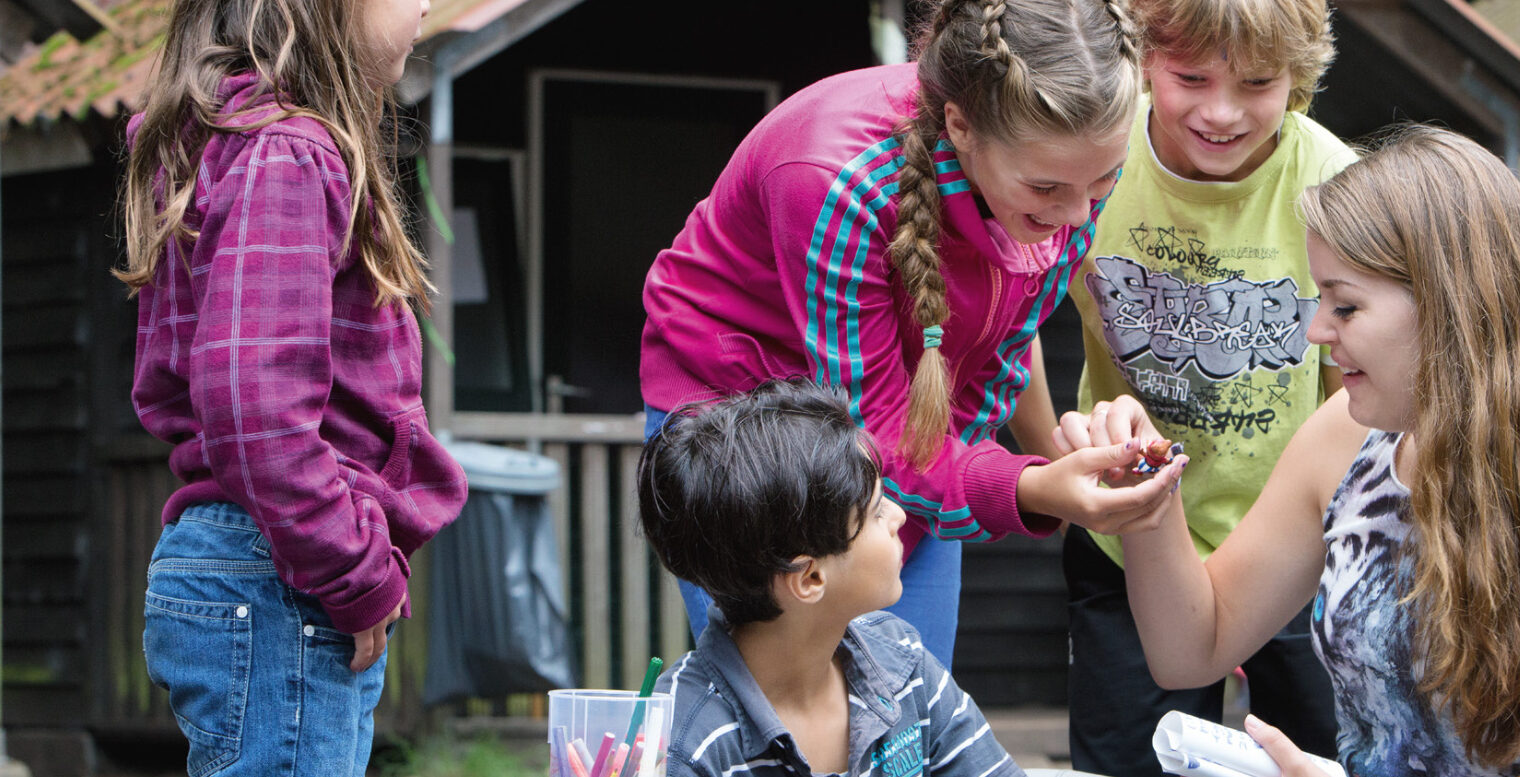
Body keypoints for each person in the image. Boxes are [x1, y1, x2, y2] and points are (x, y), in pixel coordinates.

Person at [640, 0, 1168, 667]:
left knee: (908, 699)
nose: (1075, 216)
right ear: (961, 126)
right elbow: (872, 432)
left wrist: (977, 481)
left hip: (902, 425)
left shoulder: (1069, 182)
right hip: (744, 419)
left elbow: (996, 361)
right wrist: (1026, 486)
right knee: (788, 702)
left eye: (1103, 181)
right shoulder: (834, 181)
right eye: (1046, 188)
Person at [1056, 125, 1520, 775]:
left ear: (1446, 303)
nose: (1315, 329)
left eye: (1346, 305)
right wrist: (1151, 501)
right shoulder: (1344, 438)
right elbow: (1195, 647)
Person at [117, 0, 467, 772]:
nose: (426, 6)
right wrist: (357, 570)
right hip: (278, 575)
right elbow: (255, 410)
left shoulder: (226, 145)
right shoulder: (288, 153)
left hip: (253, 563)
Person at [1019, 0, 1354, 770]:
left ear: (1298, 76)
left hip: (1294, 540)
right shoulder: (1095, 154)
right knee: (1129, 759)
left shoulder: (1333, 182)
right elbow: (1014, 325)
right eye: (1191, 76)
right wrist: (1058, 477)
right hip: (1128, 532)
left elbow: (1351, 387)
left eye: (1258, 81)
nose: (1222, 110)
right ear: (1143, 60)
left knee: (1324, 753)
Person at [639, 381, 1118, 777]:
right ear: (809, 578)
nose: (897, 516)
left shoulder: (902, 665)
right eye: (874, 511)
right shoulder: (685, 742)